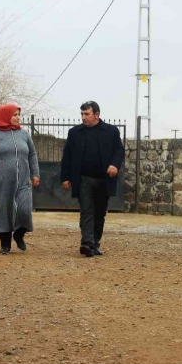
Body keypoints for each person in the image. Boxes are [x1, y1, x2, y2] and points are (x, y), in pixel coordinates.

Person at [60, 101, 124, 257]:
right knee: (87, 210)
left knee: (99, 212)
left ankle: (95, 243)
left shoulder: (111, 131)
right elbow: (67, 155)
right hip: (83, 179)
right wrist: (66, 177)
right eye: (81, 114)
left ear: (97, 114)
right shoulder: (74, 132)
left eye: (86, 114)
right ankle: (86, 243)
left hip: (104, 179)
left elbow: (119, 150)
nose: (83, 117)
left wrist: (115, 165)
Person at [0, 104, 40, 255]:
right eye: (14, 115)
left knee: (24, 209)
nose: (18, 117)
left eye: (19, 114)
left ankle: (19, 234)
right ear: (5, 116)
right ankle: (5, 244)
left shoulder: (24, 134)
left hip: (23, 180)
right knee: (3, 210)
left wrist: (35, 173)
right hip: (2, 180)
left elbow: (32, 154)